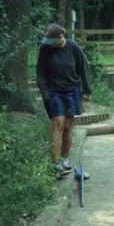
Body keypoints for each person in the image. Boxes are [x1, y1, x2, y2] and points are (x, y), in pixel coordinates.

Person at [36, 23, 92, 177]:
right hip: (54, 92)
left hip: (72, 91)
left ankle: (65, 160)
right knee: (58, 124)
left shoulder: (73, 47)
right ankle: (55, 164)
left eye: (52, 41)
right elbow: (40, 73)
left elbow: (84, 67)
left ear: (60, 37)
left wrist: (87, 89)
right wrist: (45, 92)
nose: (49, 44)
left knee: (68, 126)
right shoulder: (45, 50)